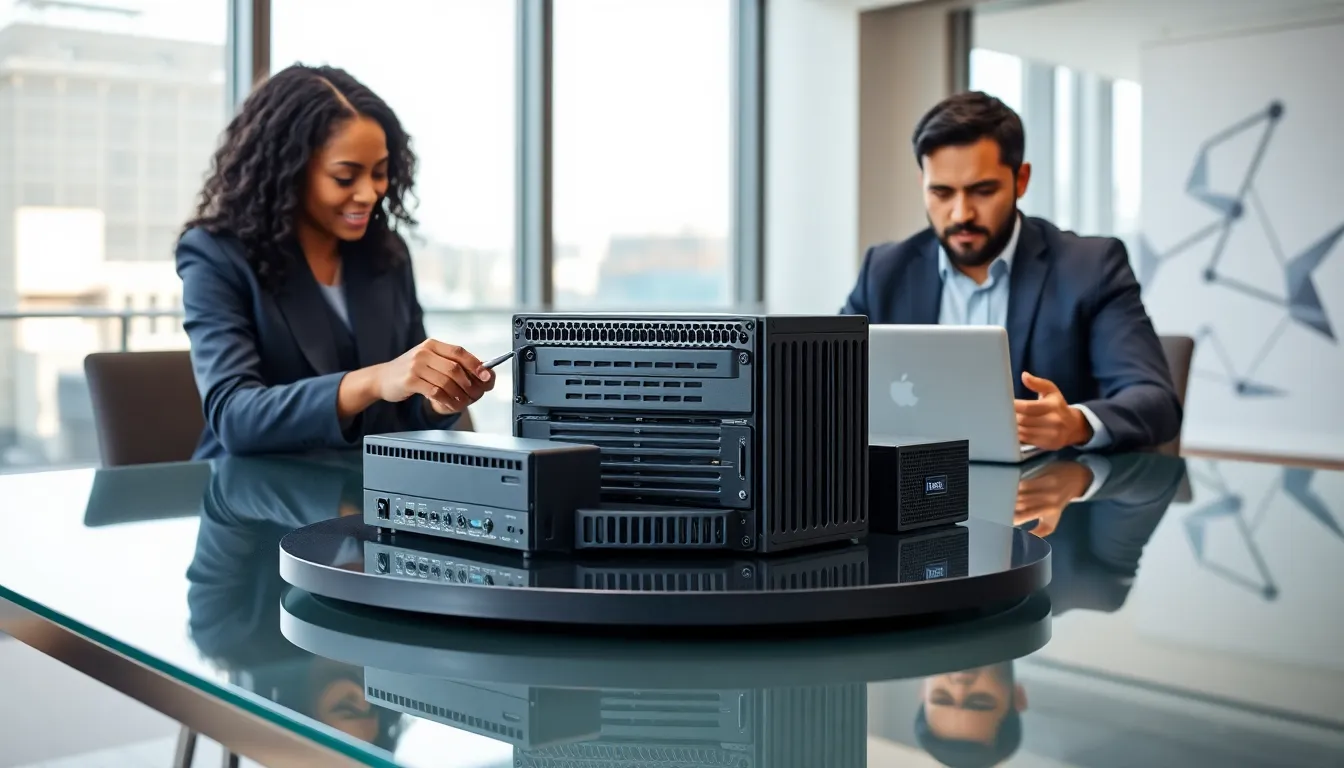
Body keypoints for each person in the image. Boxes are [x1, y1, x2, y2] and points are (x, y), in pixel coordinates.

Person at [177, 64, 494, 459]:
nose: (369, 193)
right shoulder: (216, 254)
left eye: (380, 173)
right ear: (288, 172)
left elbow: (405, 411)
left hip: (360, 493)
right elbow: (235, 416)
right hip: (250, 499)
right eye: (346, 177)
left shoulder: (386, 254)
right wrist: (374, 380)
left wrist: (438, 399)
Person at [841, 91, 1181, 453]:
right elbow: (827, 381)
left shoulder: (1090, 267)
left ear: (1021, 179)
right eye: (941, 192)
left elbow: (1155, 400)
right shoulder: (885, 270)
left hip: (1049, 498)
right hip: (915, 490)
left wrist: (1076, 423)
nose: (961, 214)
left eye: (982, 191)